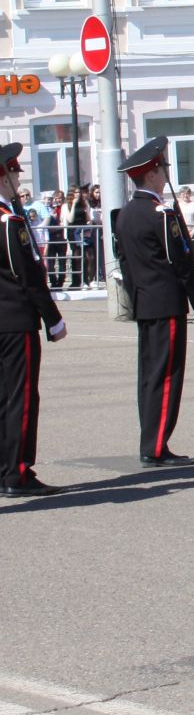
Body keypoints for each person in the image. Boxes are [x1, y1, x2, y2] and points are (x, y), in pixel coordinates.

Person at [114, 137, 194, 465]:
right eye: (164, 168)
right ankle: (156, 446)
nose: (167, 173)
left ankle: (151, 441)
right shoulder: (160, 213)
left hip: (146, 302)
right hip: (167, 303)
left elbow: (126, 265)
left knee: (150, 375)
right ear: (153, 174)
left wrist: (137, 296)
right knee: (166, 375)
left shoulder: (126, 214)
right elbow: (181, 262)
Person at [0, 143, 68, 496]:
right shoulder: (9, 222)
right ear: (4, 176)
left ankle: (4, 469)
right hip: (15, 320)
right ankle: (18, 473)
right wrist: (52, 320)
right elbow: (27, 275)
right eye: (13, 173)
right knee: (21, 398)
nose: (17, 179)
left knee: (4, 398)